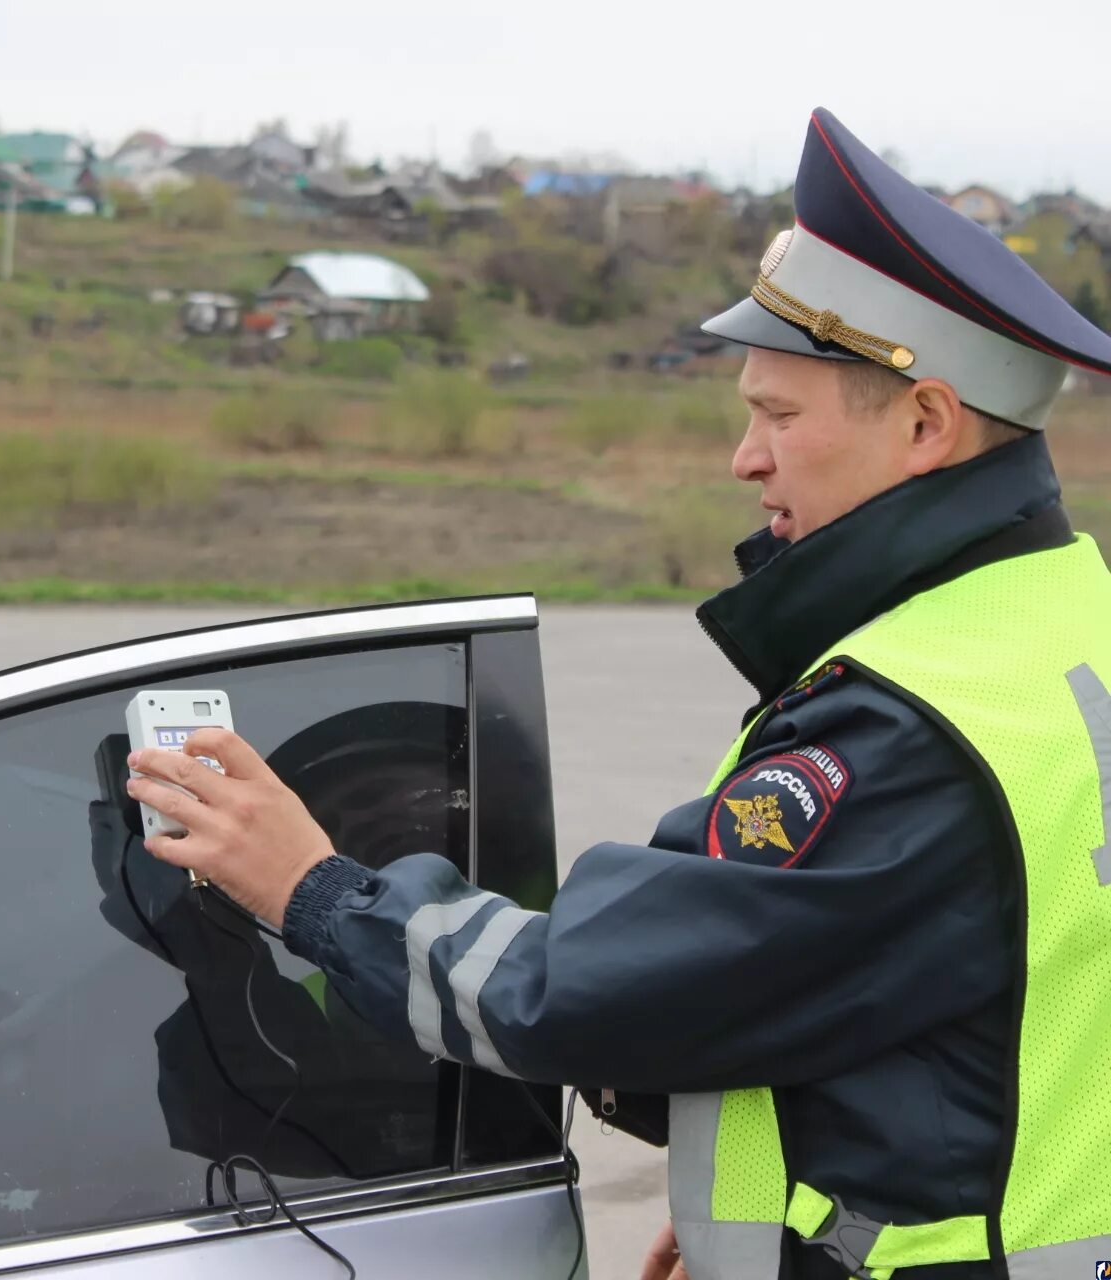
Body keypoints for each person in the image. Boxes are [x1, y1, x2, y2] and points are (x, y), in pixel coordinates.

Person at [125, 107, 1111, 1280]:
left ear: (924, 422)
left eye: (778, 414)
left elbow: (568, 996)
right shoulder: (1063, 619)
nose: (747, 457)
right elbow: (961, 998)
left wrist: (312, 886)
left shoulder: (903, 724)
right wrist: (779, 1217)